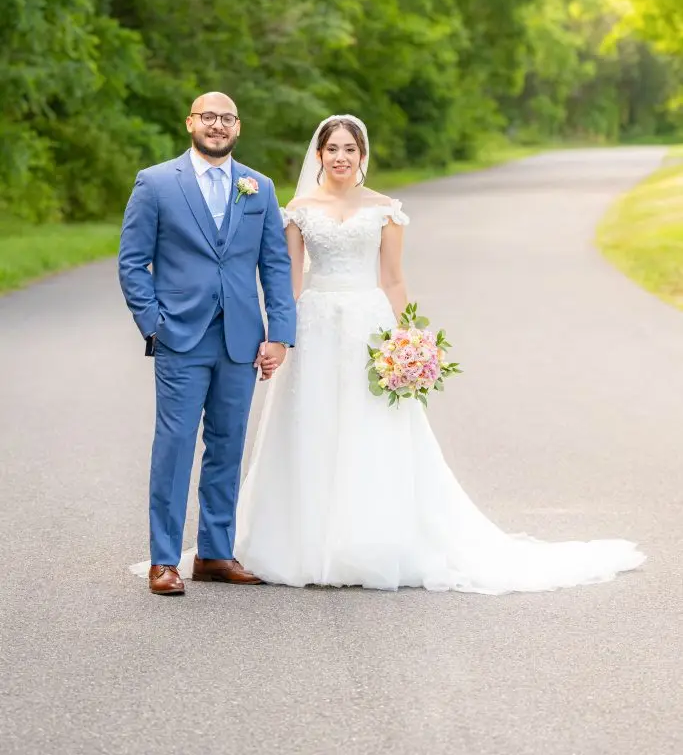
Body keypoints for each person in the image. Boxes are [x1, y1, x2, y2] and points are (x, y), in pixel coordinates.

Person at [232, 114, 645, 592]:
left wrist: (407, 341)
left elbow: (393, 279)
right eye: (333, 149)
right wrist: (282, 334)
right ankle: (302, 541)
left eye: (350, 149)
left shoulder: (386, 209)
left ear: (362, 157)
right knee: (311, 423)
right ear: (319, 155)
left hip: (369, 326)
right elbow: (291, 281)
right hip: (316, 325)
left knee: (372, 427)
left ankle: (369, 541)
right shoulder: (299, 209)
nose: (341, 157)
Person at [119, 92, 296, 595]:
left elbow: (275, 266)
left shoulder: (258, 187)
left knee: (227, 444)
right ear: (190, 123)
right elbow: (133, 262)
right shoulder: (155, 184)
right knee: (174, 445)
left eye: (227, 119)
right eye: (208, 117)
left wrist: (280, 333)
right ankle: (164, 560)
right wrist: (153, 324)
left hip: (241, 338)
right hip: (181, 335)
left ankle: (216, 553)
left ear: (237, 128)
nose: (217, 126)